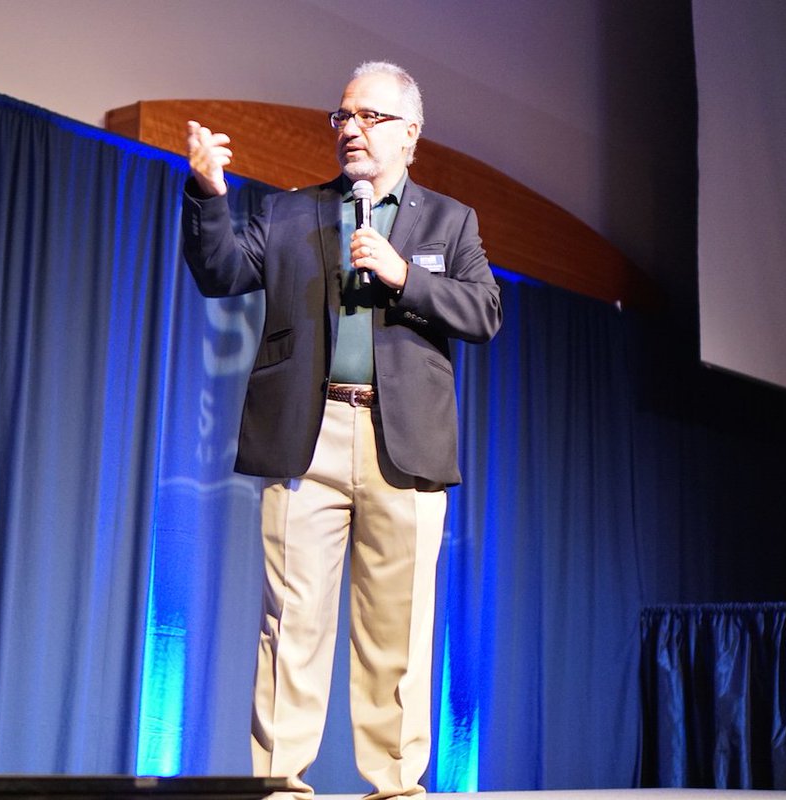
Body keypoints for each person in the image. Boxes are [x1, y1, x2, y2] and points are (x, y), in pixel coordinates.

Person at [182, 61, 501, 800]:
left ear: (410, 135)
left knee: (397, 634)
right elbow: (221, 270)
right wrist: (207, 194)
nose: (351, 130)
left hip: (405, 444)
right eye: (343, 117)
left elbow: (485, 312)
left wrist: (403, 276)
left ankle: (394, 787)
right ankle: (277, 784)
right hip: (309, 433)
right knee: (289, 622)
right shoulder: (293, 213)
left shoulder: (450, 222)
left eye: (370, 118)